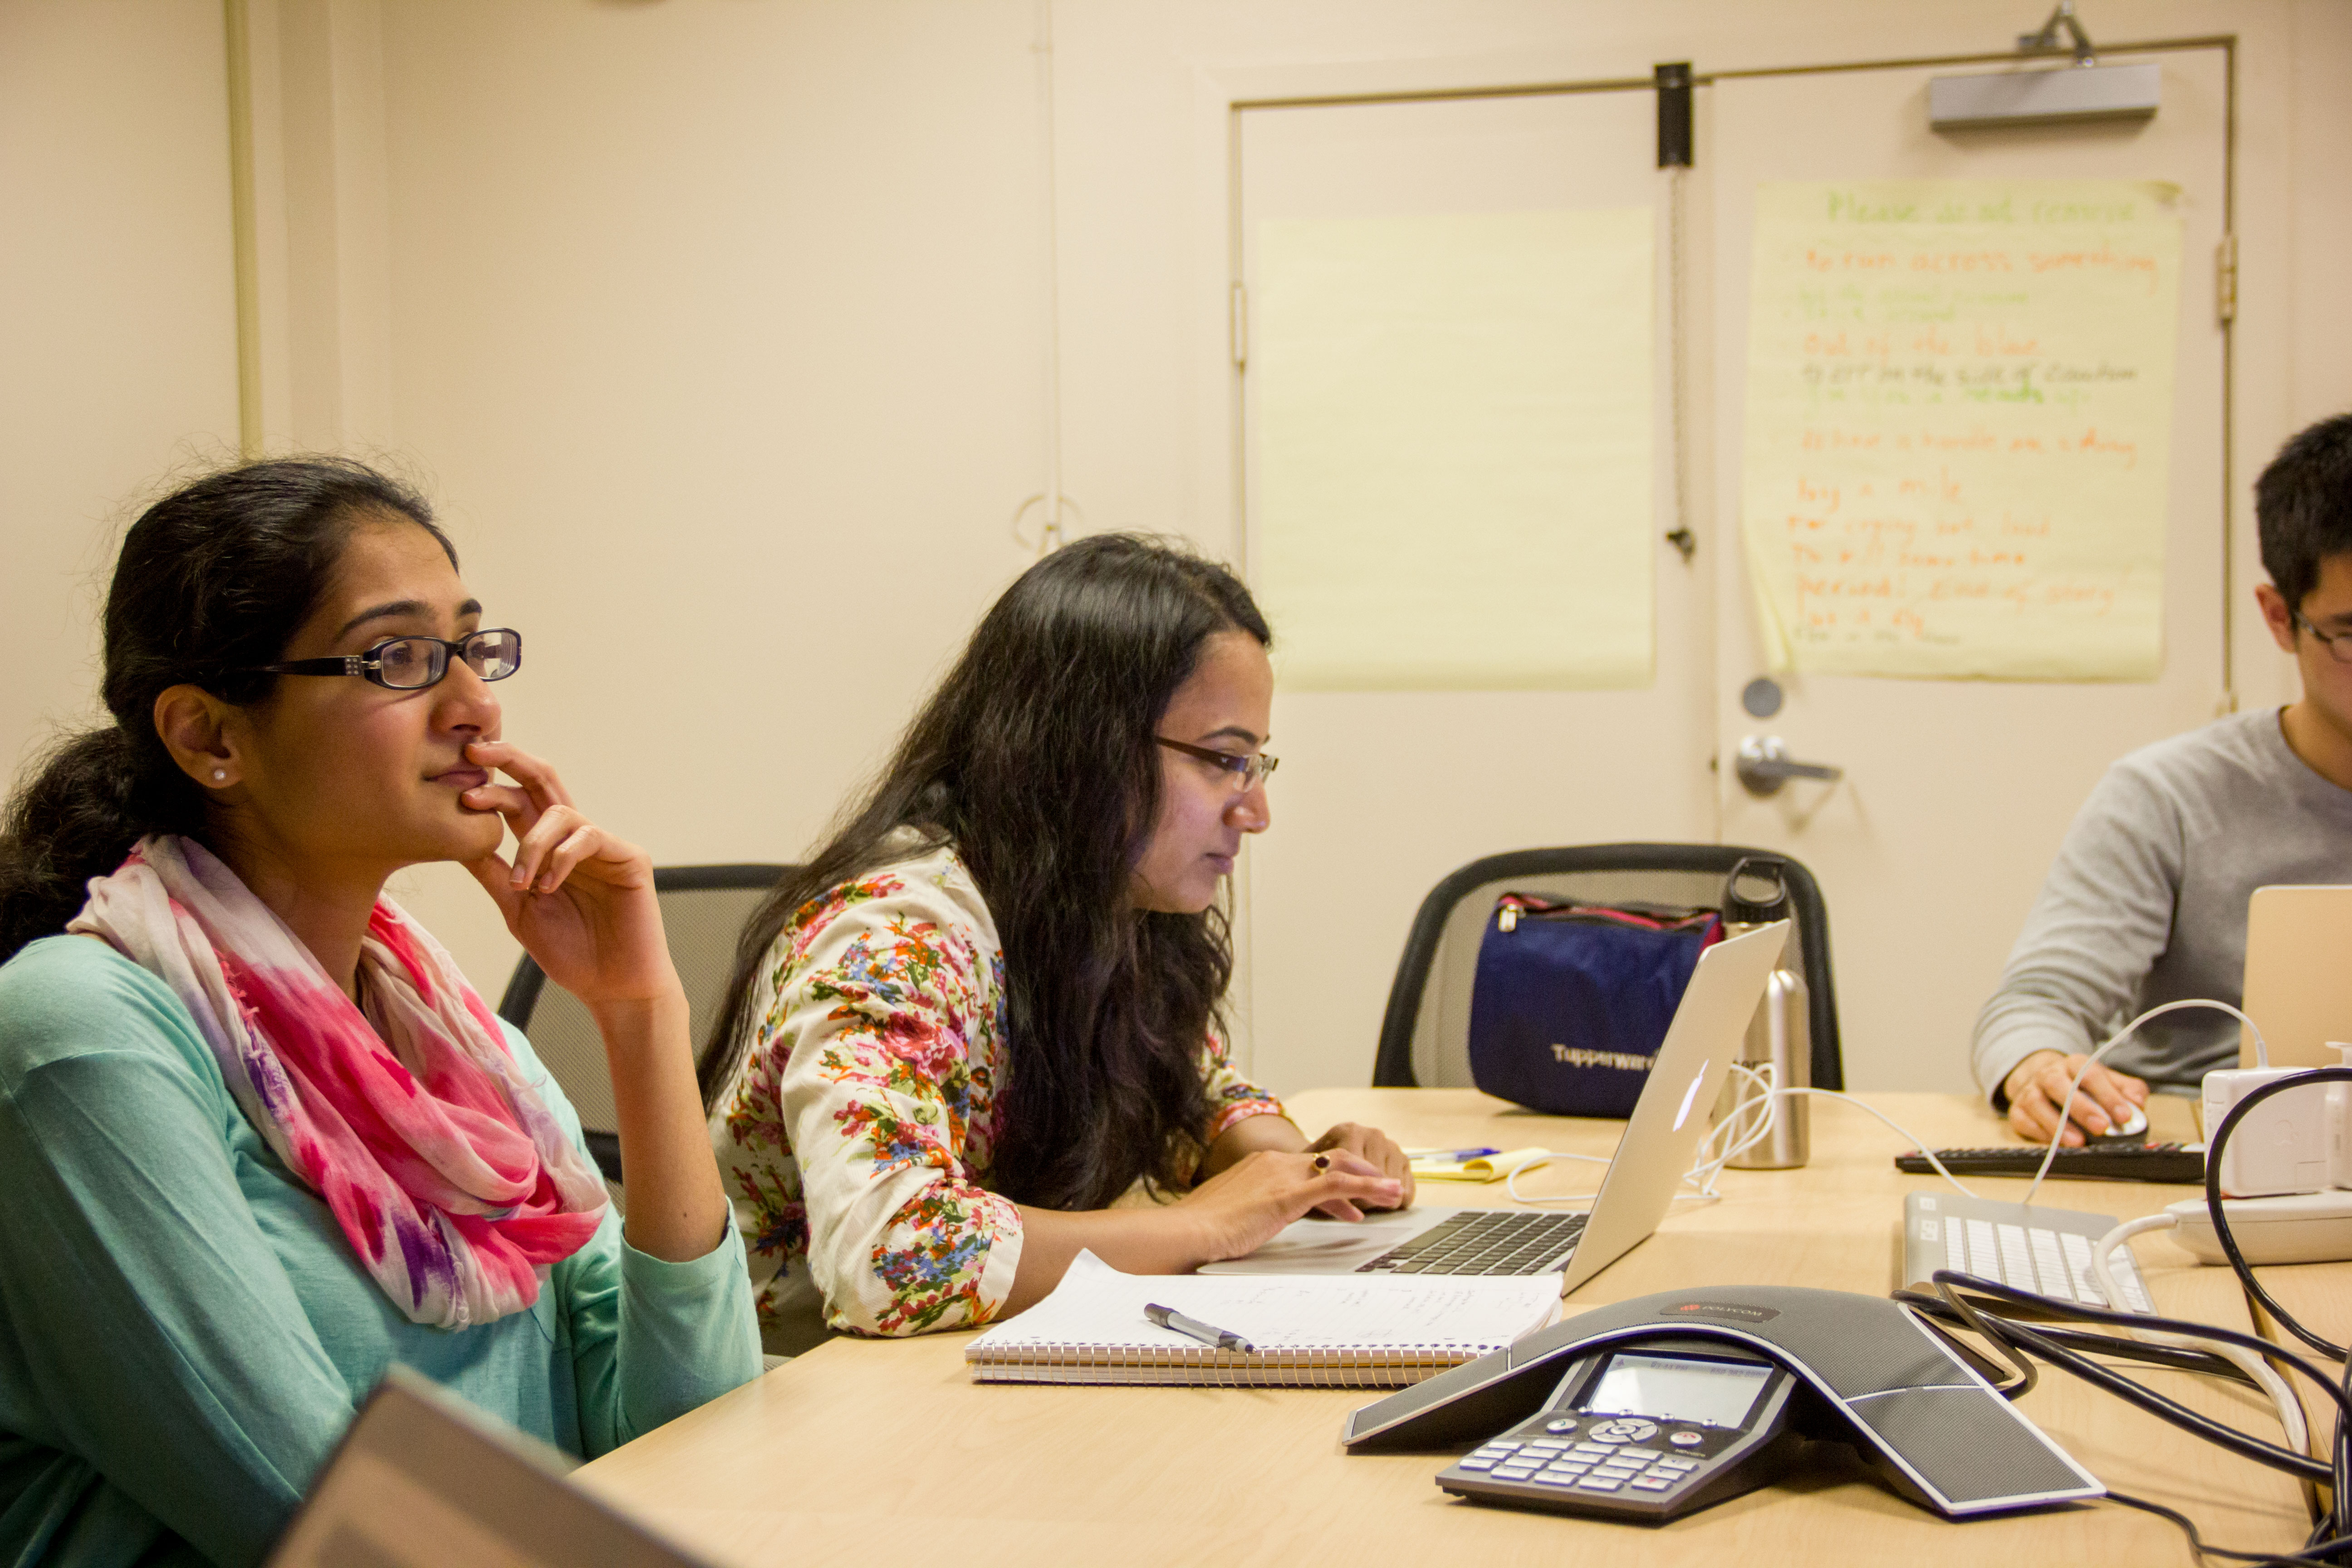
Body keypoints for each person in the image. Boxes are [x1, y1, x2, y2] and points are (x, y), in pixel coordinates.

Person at [0, 459, 760, 1568]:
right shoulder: (81, 1034)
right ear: (210, 736)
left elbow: (694, 1441)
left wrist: (640, 1015)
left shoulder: (454, 1046)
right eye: (398, 657)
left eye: (472, 646)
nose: (476, 706)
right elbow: (330, 1528)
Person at [702, 533, 1412, 1350]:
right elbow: (888, 1253)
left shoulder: (1096, 904)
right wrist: (1202, 1227)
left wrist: (1307, 1170)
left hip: (946, 1382)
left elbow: (1187, 1085)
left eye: (1258, 766)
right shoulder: (899, 934)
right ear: (1087, 748)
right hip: (788, 1407)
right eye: (1224, 761)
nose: (1254, 811)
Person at [1975, 413, 2352, 1146]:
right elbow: (2035, 1004)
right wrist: (2040, 1066)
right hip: (2213, 1158)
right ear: (2281, 619)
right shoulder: (2171, 795)